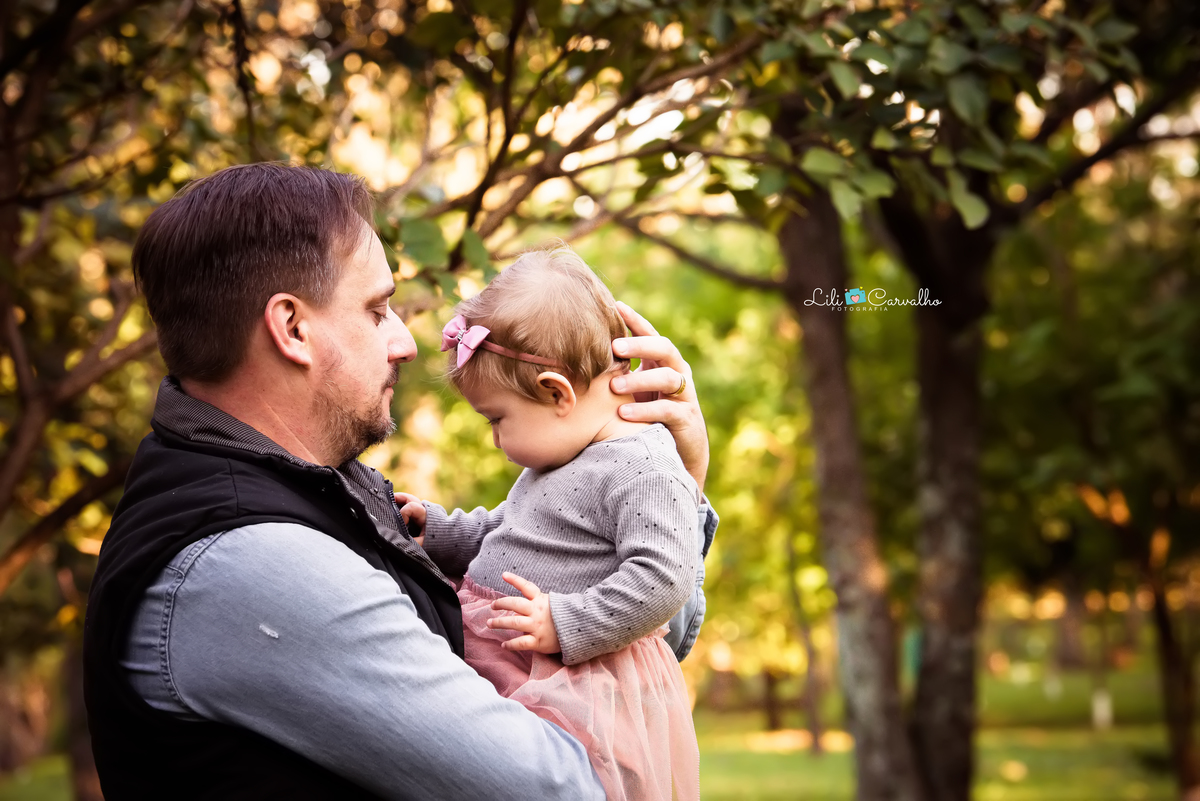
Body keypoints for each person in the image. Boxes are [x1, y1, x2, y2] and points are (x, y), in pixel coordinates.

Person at [81, 162, 716, 800]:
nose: (406, 341)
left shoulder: (312, 487)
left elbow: (647, 640)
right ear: (293, 328)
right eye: (377, 309)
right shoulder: (254, 561)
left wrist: (675, 480)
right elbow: (558, 788)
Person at [397, 244, 700, 800]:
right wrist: (435, 531)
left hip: (569, 678)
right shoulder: (565, 457)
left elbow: (664, 577)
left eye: (496, 419)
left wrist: (567, 623)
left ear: (556, 393)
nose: (495, 439)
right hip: (519, 651)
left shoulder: (643, 465)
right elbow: (510, 532)